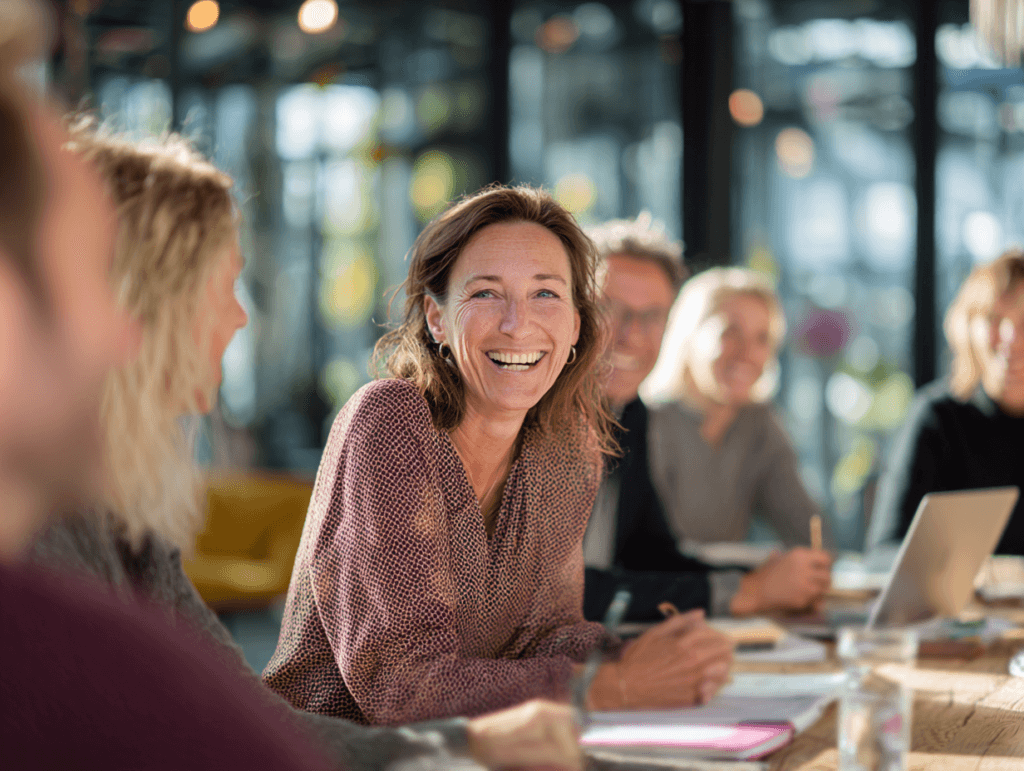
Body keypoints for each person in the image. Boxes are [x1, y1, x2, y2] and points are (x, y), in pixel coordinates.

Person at [27, 122, 584, 771]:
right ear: (141, 295)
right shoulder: (35, 527)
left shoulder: (118, 514)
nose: (238, 317)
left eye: (547, 292)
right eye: (223, 283)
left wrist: (472, 743)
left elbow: (235, 711)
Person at [264, 185, 734, 726]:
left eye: (546, 295)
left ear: (578, 325)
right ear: (436, 318)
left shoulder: (569, 443)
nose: (517, 323)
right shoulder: (390, 420)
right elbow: (402, 687)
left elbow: (551, 636)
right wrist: (610, 684)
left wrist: (643, 660)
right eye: (486, 294)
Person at [0, 7, 331, 769]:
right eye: (87, 280)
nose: (121, 337)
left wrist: (464, 742)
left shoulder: (128, 532)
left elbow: (252, 726)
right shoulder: (46, 601)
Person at [582, 218, 832, 621]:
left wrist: (764, 580)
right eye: (609, 309)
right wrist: (746, 590)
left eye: (652, 316)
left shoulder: (629, 413)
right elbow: (561, 595)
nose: (632, 335)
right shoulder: (535, 421)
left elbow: (647, 556)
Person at [868, 249, 1024, 556]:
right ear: (967, 328)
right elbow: (884, 552)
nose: (1012, 338)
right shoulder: (936, 419)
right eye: (994, 319)